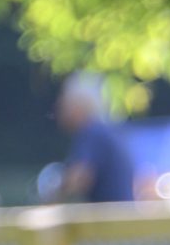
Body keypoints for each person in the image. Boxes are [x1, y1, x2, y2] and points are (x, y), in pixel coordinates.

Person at [54, 74, 135, 203]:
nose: (59, 111)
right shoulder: (104, 131)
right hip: (120, 215)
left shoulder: (91, 132)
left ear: (78, 106)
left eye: (64, 105)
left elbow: (79, 178)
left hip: (110, 219)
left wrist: (54, 197)